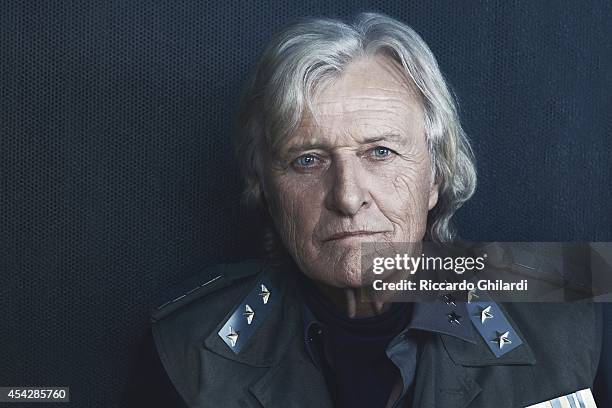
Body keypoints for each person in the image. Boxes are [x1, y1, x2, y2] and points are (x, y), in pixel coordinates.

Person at [123, 12, 604, 407]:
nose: (348, 197)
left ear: (434, 176)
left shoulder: (579, 306)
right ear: (265, 186)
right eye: (307, 160)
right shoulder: (189, 350)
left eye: (380, 153)